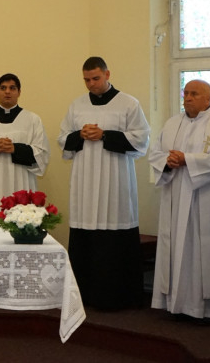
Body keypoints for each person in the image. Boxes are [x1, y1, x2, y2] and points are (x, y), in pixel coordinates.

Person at [58, 56, 150, 310]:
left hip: (115, 180)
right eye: (87, 80)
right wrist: (80, 134)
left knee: (113, 235)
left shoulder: (128, 103)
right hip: (85, 181)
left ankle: (117, 298)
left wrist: (105, 135)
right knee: (85, 232)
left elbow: (141, 139)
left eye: (96, 78)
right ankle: (84, 296)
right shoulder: (77, 105)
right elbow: (63, 138)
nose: (91, 84)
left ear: (107, 74)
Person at [148, 80, 210, 321]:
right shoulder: (172, 123)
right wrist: (167, 161)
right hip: (175, 197)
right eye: (185, 93)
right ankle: (174, 305)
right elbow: (155, 153)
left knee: (203, 251)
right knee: (174, 249)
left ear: (208, 98)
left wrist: (189, 160)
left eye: (194, 93)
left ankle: (205, 310)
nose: (187, 97)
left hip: (206, 199)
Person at [0, 73, 50, 223]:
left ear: (19, 92)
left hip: (21, 182)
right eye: (3, 88)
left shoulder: (32, 120)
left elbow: (42, 153)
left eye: (12, 88)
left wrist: (15, 149)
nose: (7, 92)